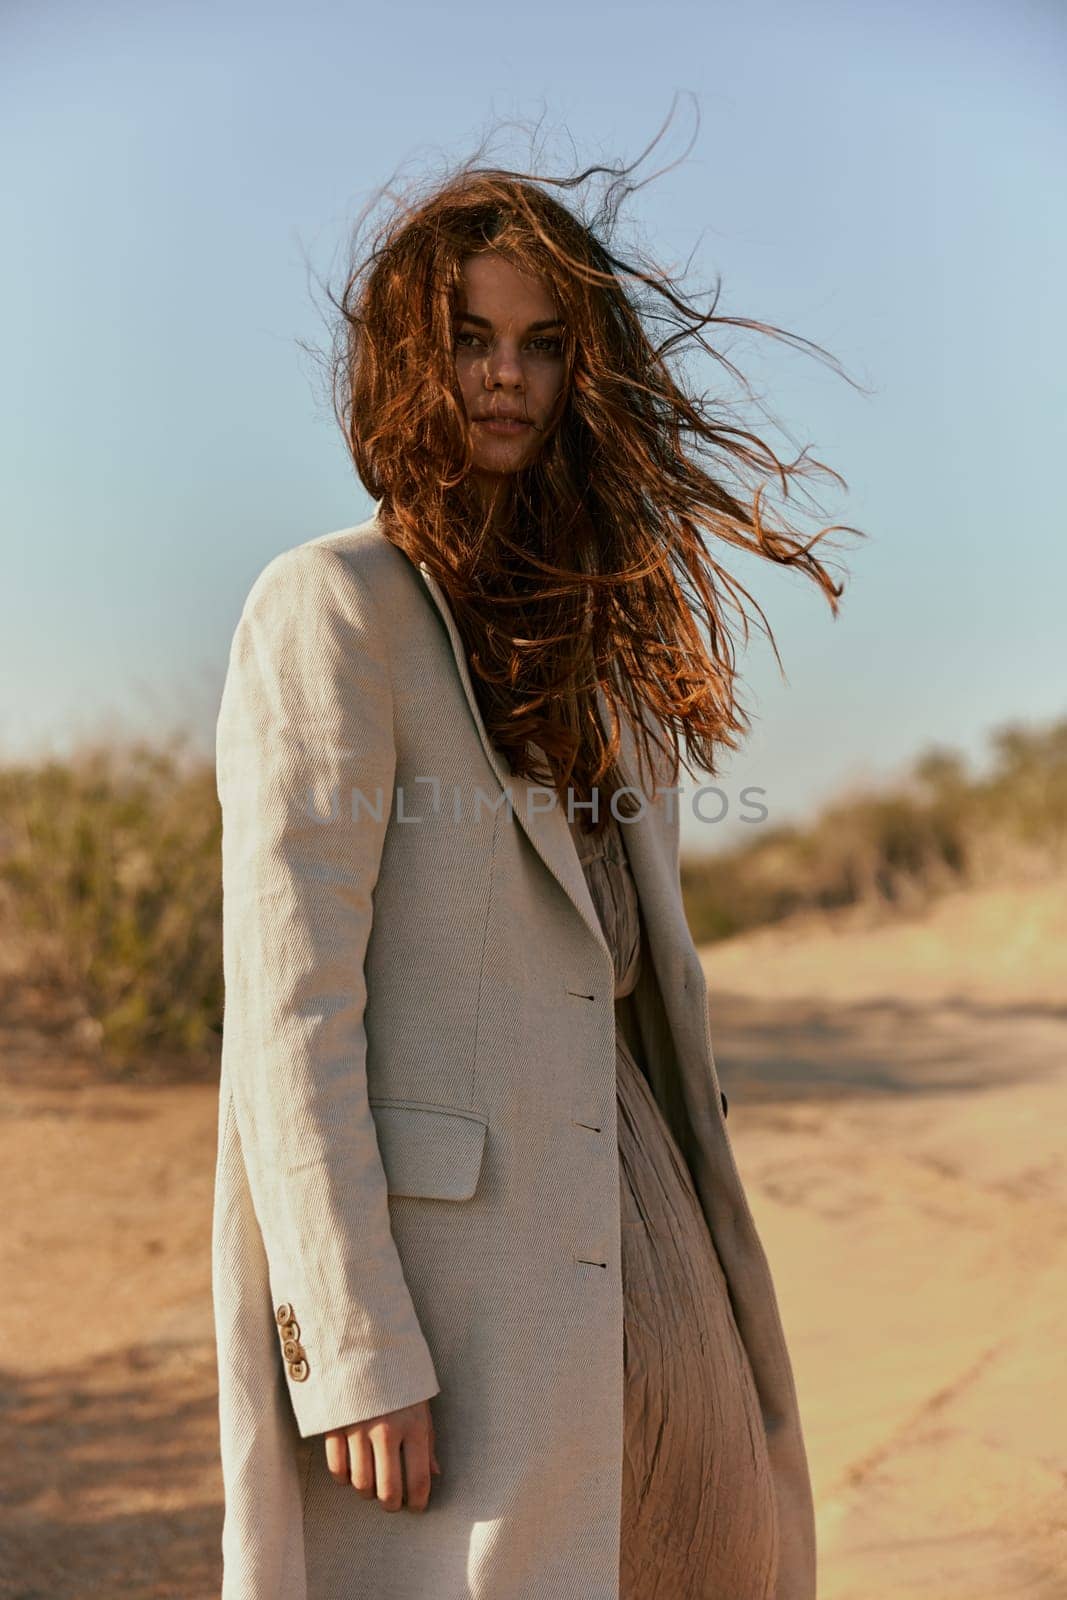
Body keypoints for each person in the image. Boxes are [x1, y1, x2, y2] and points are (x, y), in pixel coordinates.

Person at [212, 149, 859, 1600]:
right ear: (403, 361)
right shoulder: (332, 610)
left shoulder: (607, 644)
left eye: (542, 346)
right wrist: (352, 1335)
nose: (505, 377)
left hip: (651, 1233)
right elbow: (289, 1006)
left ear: (584, 374)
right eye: (468, 339)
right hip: (457, 1288)